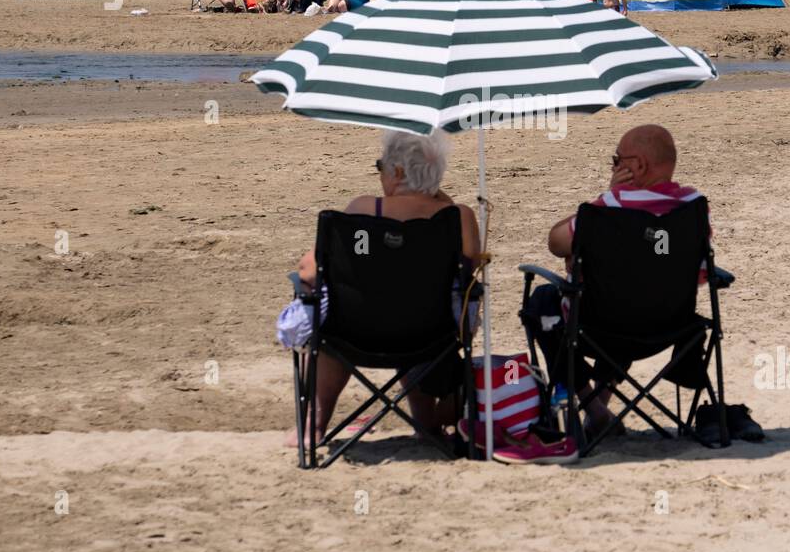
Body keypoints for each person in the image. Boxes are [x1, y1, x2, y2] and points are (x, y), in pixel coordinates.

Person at [278, 129, 481, 449]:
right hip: (431, 336)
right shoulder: (458, 218)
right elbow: (471, 270)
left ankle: (311, 428)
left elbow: (309, 271)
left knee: (330, 331)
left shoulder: (361, 210)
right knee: (410, 310)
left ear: (398, 172)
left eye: (380, 166)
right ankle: (426, 426)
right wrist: (438, 197)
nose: (380, 174)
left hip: (355, 333)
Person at [523, 124, 708, 436]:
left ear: (638, 165)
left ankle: (594, 410)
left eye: (616, 159)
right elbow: (699, 274)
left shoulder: (607, 209)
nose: (614, 165)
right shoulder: (693, 206)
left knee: (544, 302)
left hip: (600, 328)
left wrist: (609, 195)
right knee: (631, 292)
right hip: (670, 327)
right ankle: (601, 403)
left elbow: (556, 242)